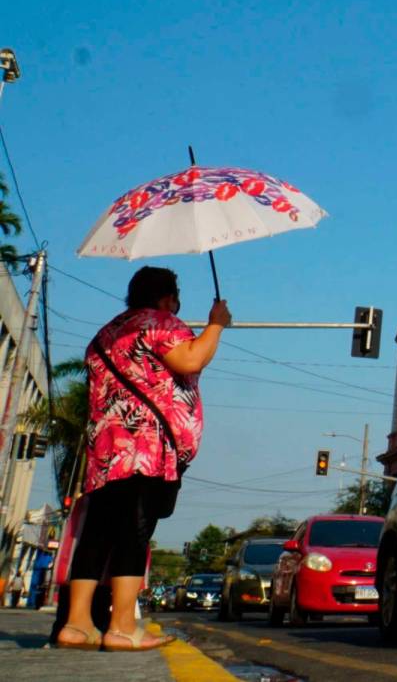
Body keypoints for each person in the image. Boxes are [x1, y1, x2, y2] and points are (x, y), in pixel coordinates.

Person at [55, 267, 230, 651]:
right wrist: (216, 325)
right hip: (144, 447)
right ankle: (121, 626)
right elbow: (190, 360)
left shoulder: (107, 333)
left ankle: (78, 623)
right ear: (168, 297)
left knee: (98, 533)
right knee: (134, 533)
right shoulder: (159, 322)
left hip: (105, 449)